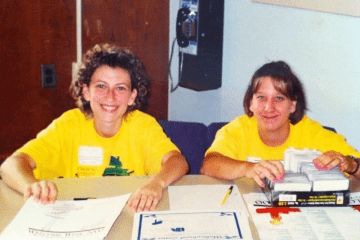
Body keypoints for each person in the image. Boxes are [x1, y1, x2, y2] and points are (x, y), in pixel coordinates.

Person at [0, 44, 189, 212]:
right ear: (86, 91)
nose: (110, 96)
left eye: (120, 88)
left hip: (127, 213)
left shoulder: (142, 125)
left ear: (132, 97)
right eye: (101, 86)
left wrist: (156, 183)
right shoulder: (69, 125)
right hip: (76, 214)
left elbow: (178, 162)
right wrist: (31, 186)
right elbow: (11, 165)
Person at [200, 61, 360, 186]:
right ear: (250, 103)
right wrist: (247, 168)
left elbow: (354, 166)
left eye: (279, 98)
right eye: (261, 97)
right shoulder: (237, 129)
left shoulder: (311, 132)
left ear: (293, 105)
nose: (269, 108)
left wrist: (352, 165)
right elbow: (209, 165)